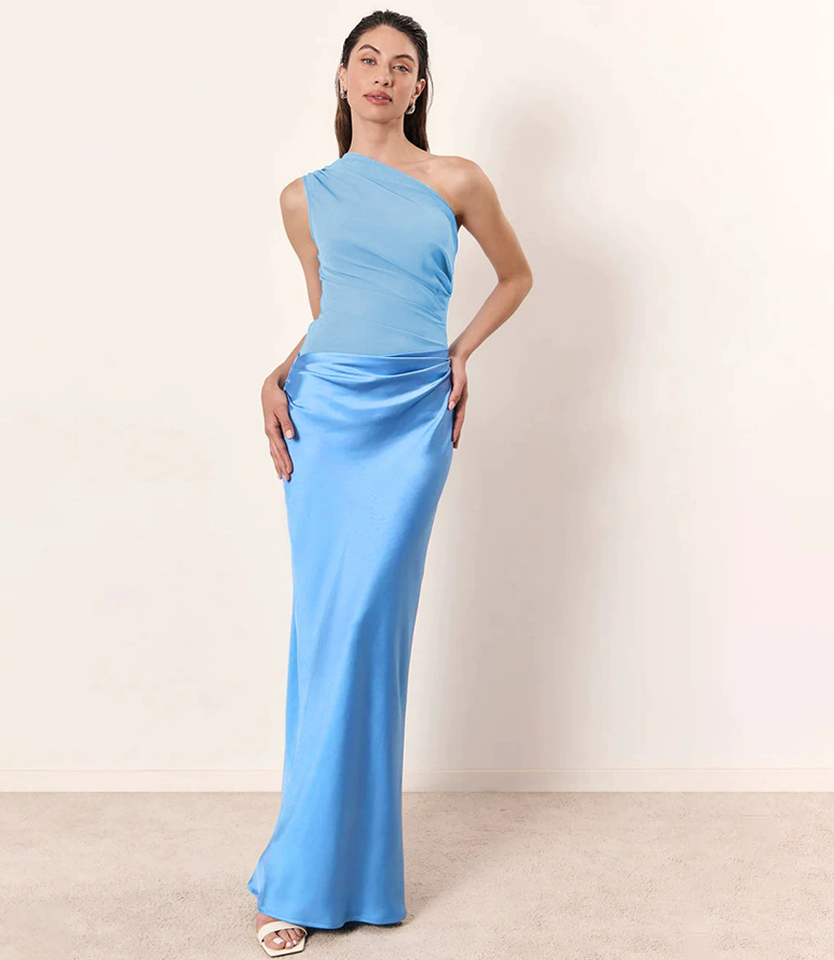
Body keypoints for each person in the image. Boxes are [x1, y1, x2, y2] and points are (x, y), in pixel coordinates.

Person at [249, 11, 532, 956]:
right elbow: (330, 311)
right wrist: (278, 372)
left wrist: (461, 352)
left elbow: (516, 277)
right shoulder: (303, 197)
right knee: (329, 631)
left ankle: (349, 871)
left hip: (412, 417)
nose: (382, 74)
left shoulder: (457, 180)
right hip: (325, 414)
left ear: (419, 86)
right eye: (367, 59)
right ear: (342, 77)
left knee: (371, 629)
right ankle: (302, 876)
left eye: (401, 64)